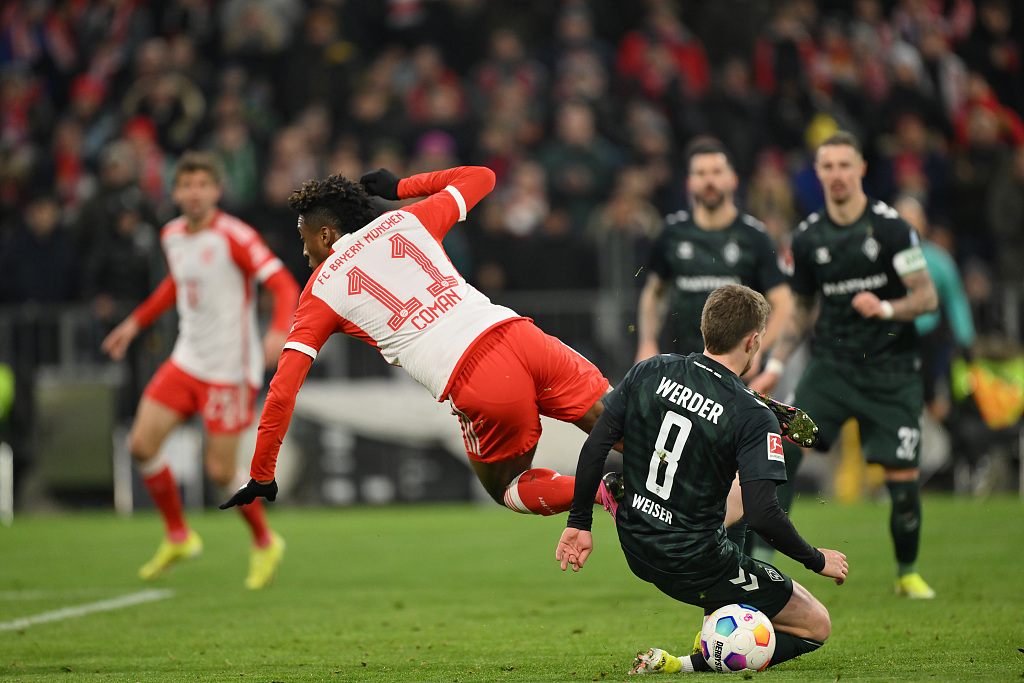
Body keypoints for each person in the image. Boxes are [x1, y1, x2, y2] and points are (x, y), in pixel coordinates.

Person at [220, 165, 621, 518]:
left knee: (506, 487)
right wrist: (401, 187)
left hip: (476, 374)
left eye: (304, 236)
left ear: (325, 235)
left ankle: (603, 491)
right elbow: (482, 177)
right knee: (619, 430)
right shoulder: (406, 220)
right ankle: (679, 485)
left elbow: (282, 390)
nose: (303, 249)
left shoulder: (321, 288)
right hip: (522, 335)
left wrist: (261, 473)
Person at [555, 284, 848, 674]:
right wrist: (816, 559)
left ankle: (622, 495)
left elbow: (594, 448)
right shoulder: (750, 415)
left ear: (705, 327)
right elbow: (765, 515)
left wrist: (578, 523)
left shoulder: (651, 369)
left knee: (733, 489)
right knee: (815, 625)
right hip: (694, 562)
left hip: (637, 542)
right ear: (753, 340)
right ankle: (687, 662)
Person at [749, 131, 939, 599]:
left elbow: (926, 295)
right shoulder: (810, 237)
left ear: (861, 169)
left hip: (891, 373)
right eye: (827, 166)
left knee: (902, 482)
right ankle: (763, 559)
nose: (836, 174)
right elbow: (803, 308)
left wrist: (888, 309)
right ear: (818, 173)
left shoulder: (892, 229)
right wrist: (775, 363)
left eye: (843, 165)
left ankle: (907, 572)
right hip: (831, 371)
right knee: (784, 448)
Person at [101, 151, 300, 589]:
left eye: (202, 184)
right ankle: (179, 534)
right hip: (187, 359)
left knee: (218, 472)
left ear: (217, 190)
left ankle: (266, 541)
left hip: (228, 370)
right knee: (141, 444)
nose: (194, 193)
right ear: (175, 192)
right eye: (186, 185)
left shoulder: (235, 236)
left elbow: (283, 283)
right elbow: (178, 282)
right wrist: (134, 323)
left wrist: (276, 332)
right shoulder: (172, 234)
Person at [635, 137, 793, 373]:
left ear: (733, 179)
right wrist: (647, 342)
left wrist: (759, 348)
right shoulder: (671, 233)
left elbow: (783, 302)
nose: (709, 180)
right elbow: (654, 293)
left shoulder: (755, 237)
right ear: (689, 183)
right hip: (684, 366)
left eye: (717, 172)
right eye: (701, 173)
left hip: (737, 373)